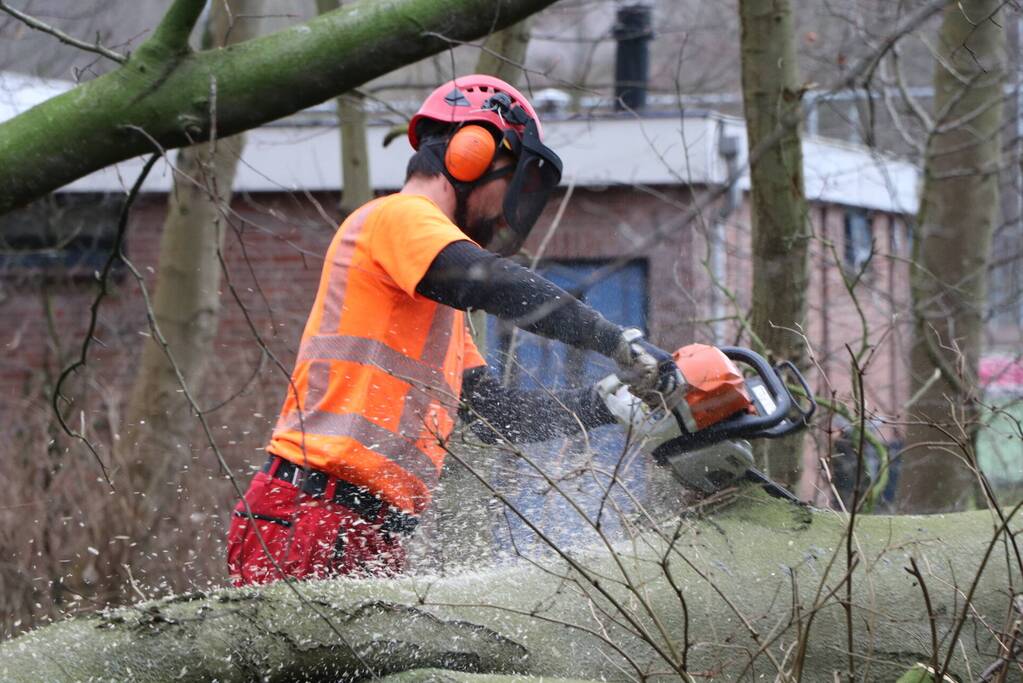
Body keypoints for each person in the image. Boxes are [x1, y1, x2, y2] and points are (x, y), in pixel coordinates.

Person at [226, 74, 683, 585]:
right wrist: (615, 340)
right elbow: (493, 282)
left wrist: (604, 403)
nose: (508, 205)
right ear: (472, 152)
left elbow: (495, 416)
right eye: (511, 181)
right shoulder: (396, 217)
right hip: (313, 512)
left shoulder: (433, 305)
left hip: (365, 528)